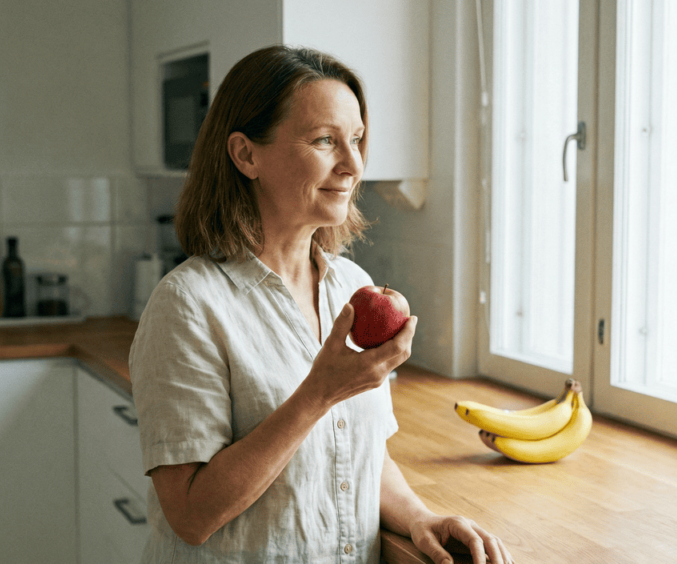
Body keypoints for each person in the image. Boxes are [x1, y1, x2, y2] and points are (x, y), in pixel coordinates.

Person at [129, 45, 513, 564]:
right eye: (325, 140)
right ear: (246, 155)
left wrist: (418, 516)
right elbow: (192, 517)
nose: (353, 164)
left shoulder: (351, 288)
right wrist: (319, 393)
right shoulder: (187, 305)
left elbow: (358, 451)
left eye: (355, 140)